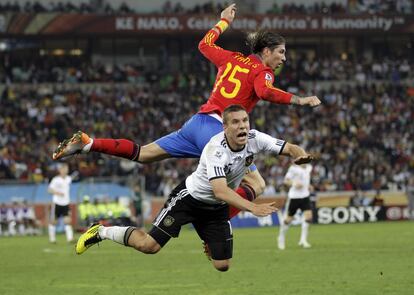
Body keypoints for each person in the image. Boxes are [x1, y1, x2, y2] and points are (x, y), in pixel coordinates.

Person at [52, 3, 320, 219]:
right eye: (281, 52)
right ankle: (213, 227)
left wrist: (223, 21)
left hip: (197, 122)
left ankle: (88, 144)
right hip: (216, 129)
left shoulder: (231, 58)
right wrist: (300, 100)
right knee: (257, 185)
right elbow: (264, 92)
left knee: (144, 154)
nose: (284, 58)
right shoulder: (262, 71)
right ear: (266, 51)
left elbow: (204, 45)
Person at [75, 105, 313, 272]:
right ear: (225, 128)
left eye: (245, 121)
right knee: (149, 246)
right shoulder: (215, 149)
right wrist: (252, 207)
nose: (242, 126)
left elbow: (289, 147)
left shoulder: (255, 138)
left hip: (215, 209)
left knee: (222, 265)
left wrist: (299, 155)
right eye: (236, 122)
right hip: (189, 199)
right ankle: (101, 231)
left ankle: (208, 236)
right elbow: (220, 190)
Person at [278, 163, 313, 250]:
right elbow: (286, 181)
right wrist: (294, 184)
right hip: (294, 197)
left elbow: (305, 180)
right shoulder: (293, 168)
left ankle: (303, 240)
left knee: (308, 217)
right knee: (288, 220)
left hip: (305, 196)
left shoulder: (309, 167)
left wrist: (308, 186)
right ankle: (281, 238)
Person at [47, 163, 74, 243]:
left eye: (67, 169)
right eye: (64, 169)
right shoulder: (56, 179)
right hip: (57, 203)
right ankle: (52, 239)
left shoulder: (69, 178)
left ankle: (70, 238)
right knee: (54, 221)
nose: (66, 170)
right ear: (60, 170)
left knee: (67, 221)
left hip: (66, 203)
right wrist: (57, 192)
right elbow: (49, 190)